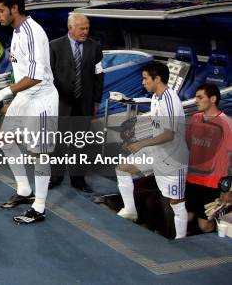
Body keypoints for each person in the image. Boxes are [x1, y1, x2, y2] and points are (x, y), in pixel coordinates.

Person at [0, 0, 59, 224]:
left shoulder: (32, 32)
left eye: (0, 10)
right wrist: (12, 99)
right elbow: (21, 73)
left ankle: (39, 207)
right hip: (24, 96)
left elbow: (36, 76)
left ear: (14, 9)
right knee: (5, 139)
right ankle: (24, 189)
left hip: (42, 98)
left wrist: (1, 94)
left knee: (39, 152)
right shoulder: (17, 32)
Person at [116, 62, 188, 239]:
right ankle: (130, 210)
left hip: (173, 159)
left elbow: (169, 134)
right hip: (156, 153)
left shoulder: (170, 100)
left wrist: (142, 144)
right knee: (122, 168)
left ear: (157, 79)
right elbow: (156, 127)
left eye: (145, 78)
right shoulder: (156, 97)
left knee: (175, 203)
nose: (143, 82)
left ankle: (181, 240)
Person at [48, 13, 103, 192]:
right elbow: (47, 78)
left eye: (87, 28)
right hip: (60, 104)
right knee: (58, 142)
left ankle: (78, 179)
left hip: (84, 103)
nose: (85, 32)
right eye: (82, 29)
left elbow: (98, 75)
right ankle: (56, 176)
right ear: (70, 28)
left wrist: (96, 100)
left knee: (80, 143)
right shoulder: (54, 47)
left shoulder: (95, 47)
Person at [185, 84, 232, 233]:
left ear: (212, 99)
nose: (195, 101)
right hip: (192, 179)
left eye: (200, 97)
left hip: (212, 183)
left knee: (204, 224)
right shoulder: (194, 119)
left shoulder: (226, 124)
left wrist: (227, 189)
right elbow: (188, 145)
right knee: (186, 217)